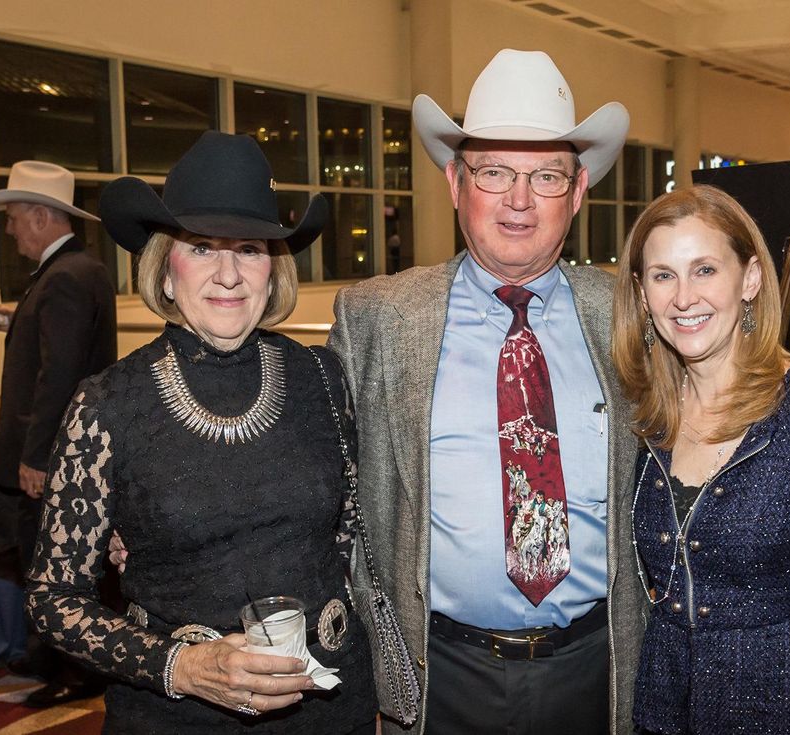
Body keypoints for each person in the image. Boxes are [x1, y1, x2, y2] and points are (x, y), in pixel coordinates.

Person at [328, 49, 646, 734]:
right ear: (454, 180)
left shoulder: (629, 314)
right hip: (440, 674)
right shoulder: (378, 318)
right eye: (496, 172)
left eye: (547, 176)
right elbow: (324, 489)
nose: (520, 200)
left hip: (597, 668)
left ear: (580, 187)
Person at [24, 131, 377, 734]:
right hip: (178, 717)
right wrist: (181, 665)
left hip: (331, 707)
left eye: (249, 248)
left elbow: (353, 529)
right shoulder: (107, 405)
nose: (229, 274)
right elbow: (53, 599)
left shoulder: (322, 374)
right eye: (203, 248)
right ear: (165, 271)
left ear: (274, 269)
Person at [612, 184, 790, 734]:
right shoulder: (647, 418)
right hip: (664, 705)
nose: (683, 298)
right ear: (642, 294)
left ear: (750, 278)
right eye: (663, 275)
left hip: (786, 702)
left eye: (704, 270)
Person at [0, 160, 117, 706]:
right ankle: (50, 661)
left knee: (51, 566)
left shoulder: (63, 278)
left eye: (16, 219)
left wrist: (37, 456)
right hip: (69, 451)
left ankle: (70, 671)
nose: (11, 229)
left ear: (41, 217)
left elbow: (57, 375)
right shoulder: (75, 270)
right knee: (57, 563)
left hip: (52, 454)